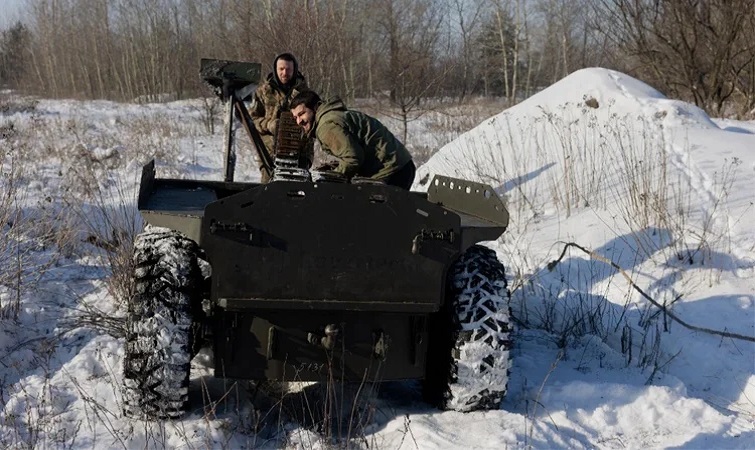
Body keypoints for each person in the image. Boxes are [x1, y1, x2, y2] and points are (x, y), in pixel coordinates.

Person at [289, 90, 416, 190]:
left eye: (302, 114)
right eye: (295, 117)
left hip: (393, 170)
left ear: (316, 108)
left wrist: (333, 177)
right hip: (398, 165)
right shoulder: (331, 116)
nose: (299, 121)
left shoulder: (326, 126)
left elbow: (353, 159)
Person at [249, 52, 312, 182]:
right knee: (268, 190)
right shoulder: (263, 92)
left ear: (295, 70)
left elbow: (313, 122)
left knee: (297, 191)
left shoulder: (306, 94)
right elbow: (252, 120)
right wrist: (268, 124)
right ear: (275, 69)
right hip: (269, 153)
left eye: (288, 69)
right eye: (281, 69)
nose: (285, 73)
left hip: (299, 153)